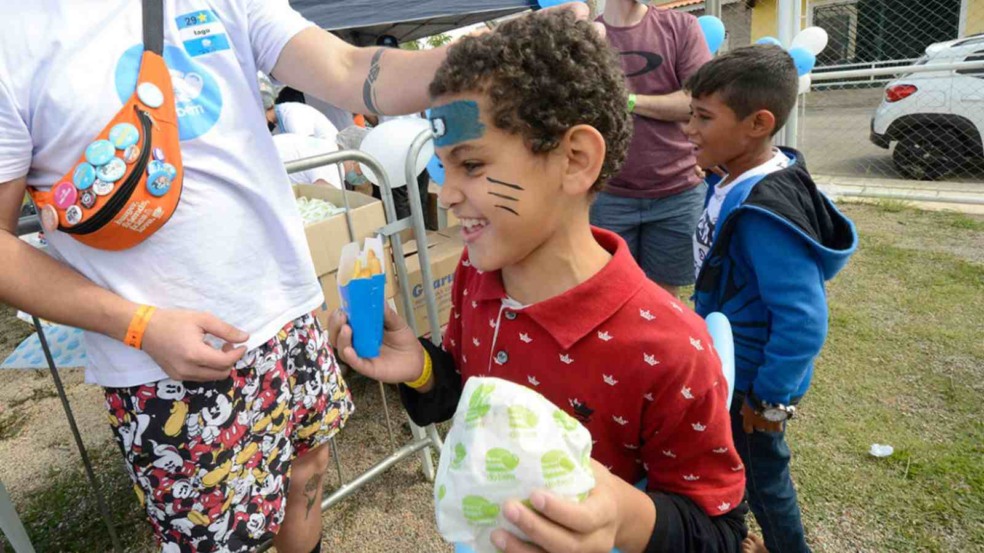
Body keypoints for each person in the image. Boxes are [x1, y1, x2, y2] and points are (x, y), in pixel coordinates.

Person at [0, 1, 591, 550]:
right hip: (164, 357)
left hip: (290, 314)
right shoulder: (13, 35)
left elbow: (342, 63)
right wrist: (138, 326)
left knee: (308, 469)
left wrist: (482, 61)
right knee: (217, 537)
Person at [329, 11, 748, 553]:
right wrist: (422, 368)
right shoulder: (476, 280)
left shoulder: (671, 348)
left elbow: (717, 530)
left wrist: (622, 516)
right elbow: (469, 395)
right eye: (442, 169)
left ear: (575, 160)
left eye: (472, 165)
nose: (447, 193)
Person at [685, 45, 858, 553]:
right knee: (732, 459)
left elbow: (803, 320)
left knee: (762, 474)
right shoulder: (742, 174)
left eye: (703, 117)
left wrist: (770, 399)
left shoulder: (763, 215)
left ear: (757, 123)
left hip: (755, 381)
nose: (690, 129)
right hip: (732, 361)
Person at [591, 0, 712, 297]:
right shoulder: (588, 36)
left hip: (677, 190)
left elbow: (698, 102)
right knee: (609, 294)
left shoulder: (681, 27)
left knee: (663, 299)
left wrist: (628, 101)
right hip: (608, 193)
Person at [272, 133, 344, 188]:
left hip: (268, 156)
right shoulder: (332, 159)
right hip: (269, 173)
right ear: (353, 161)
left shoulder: (327, 146)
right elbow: (325, 192)